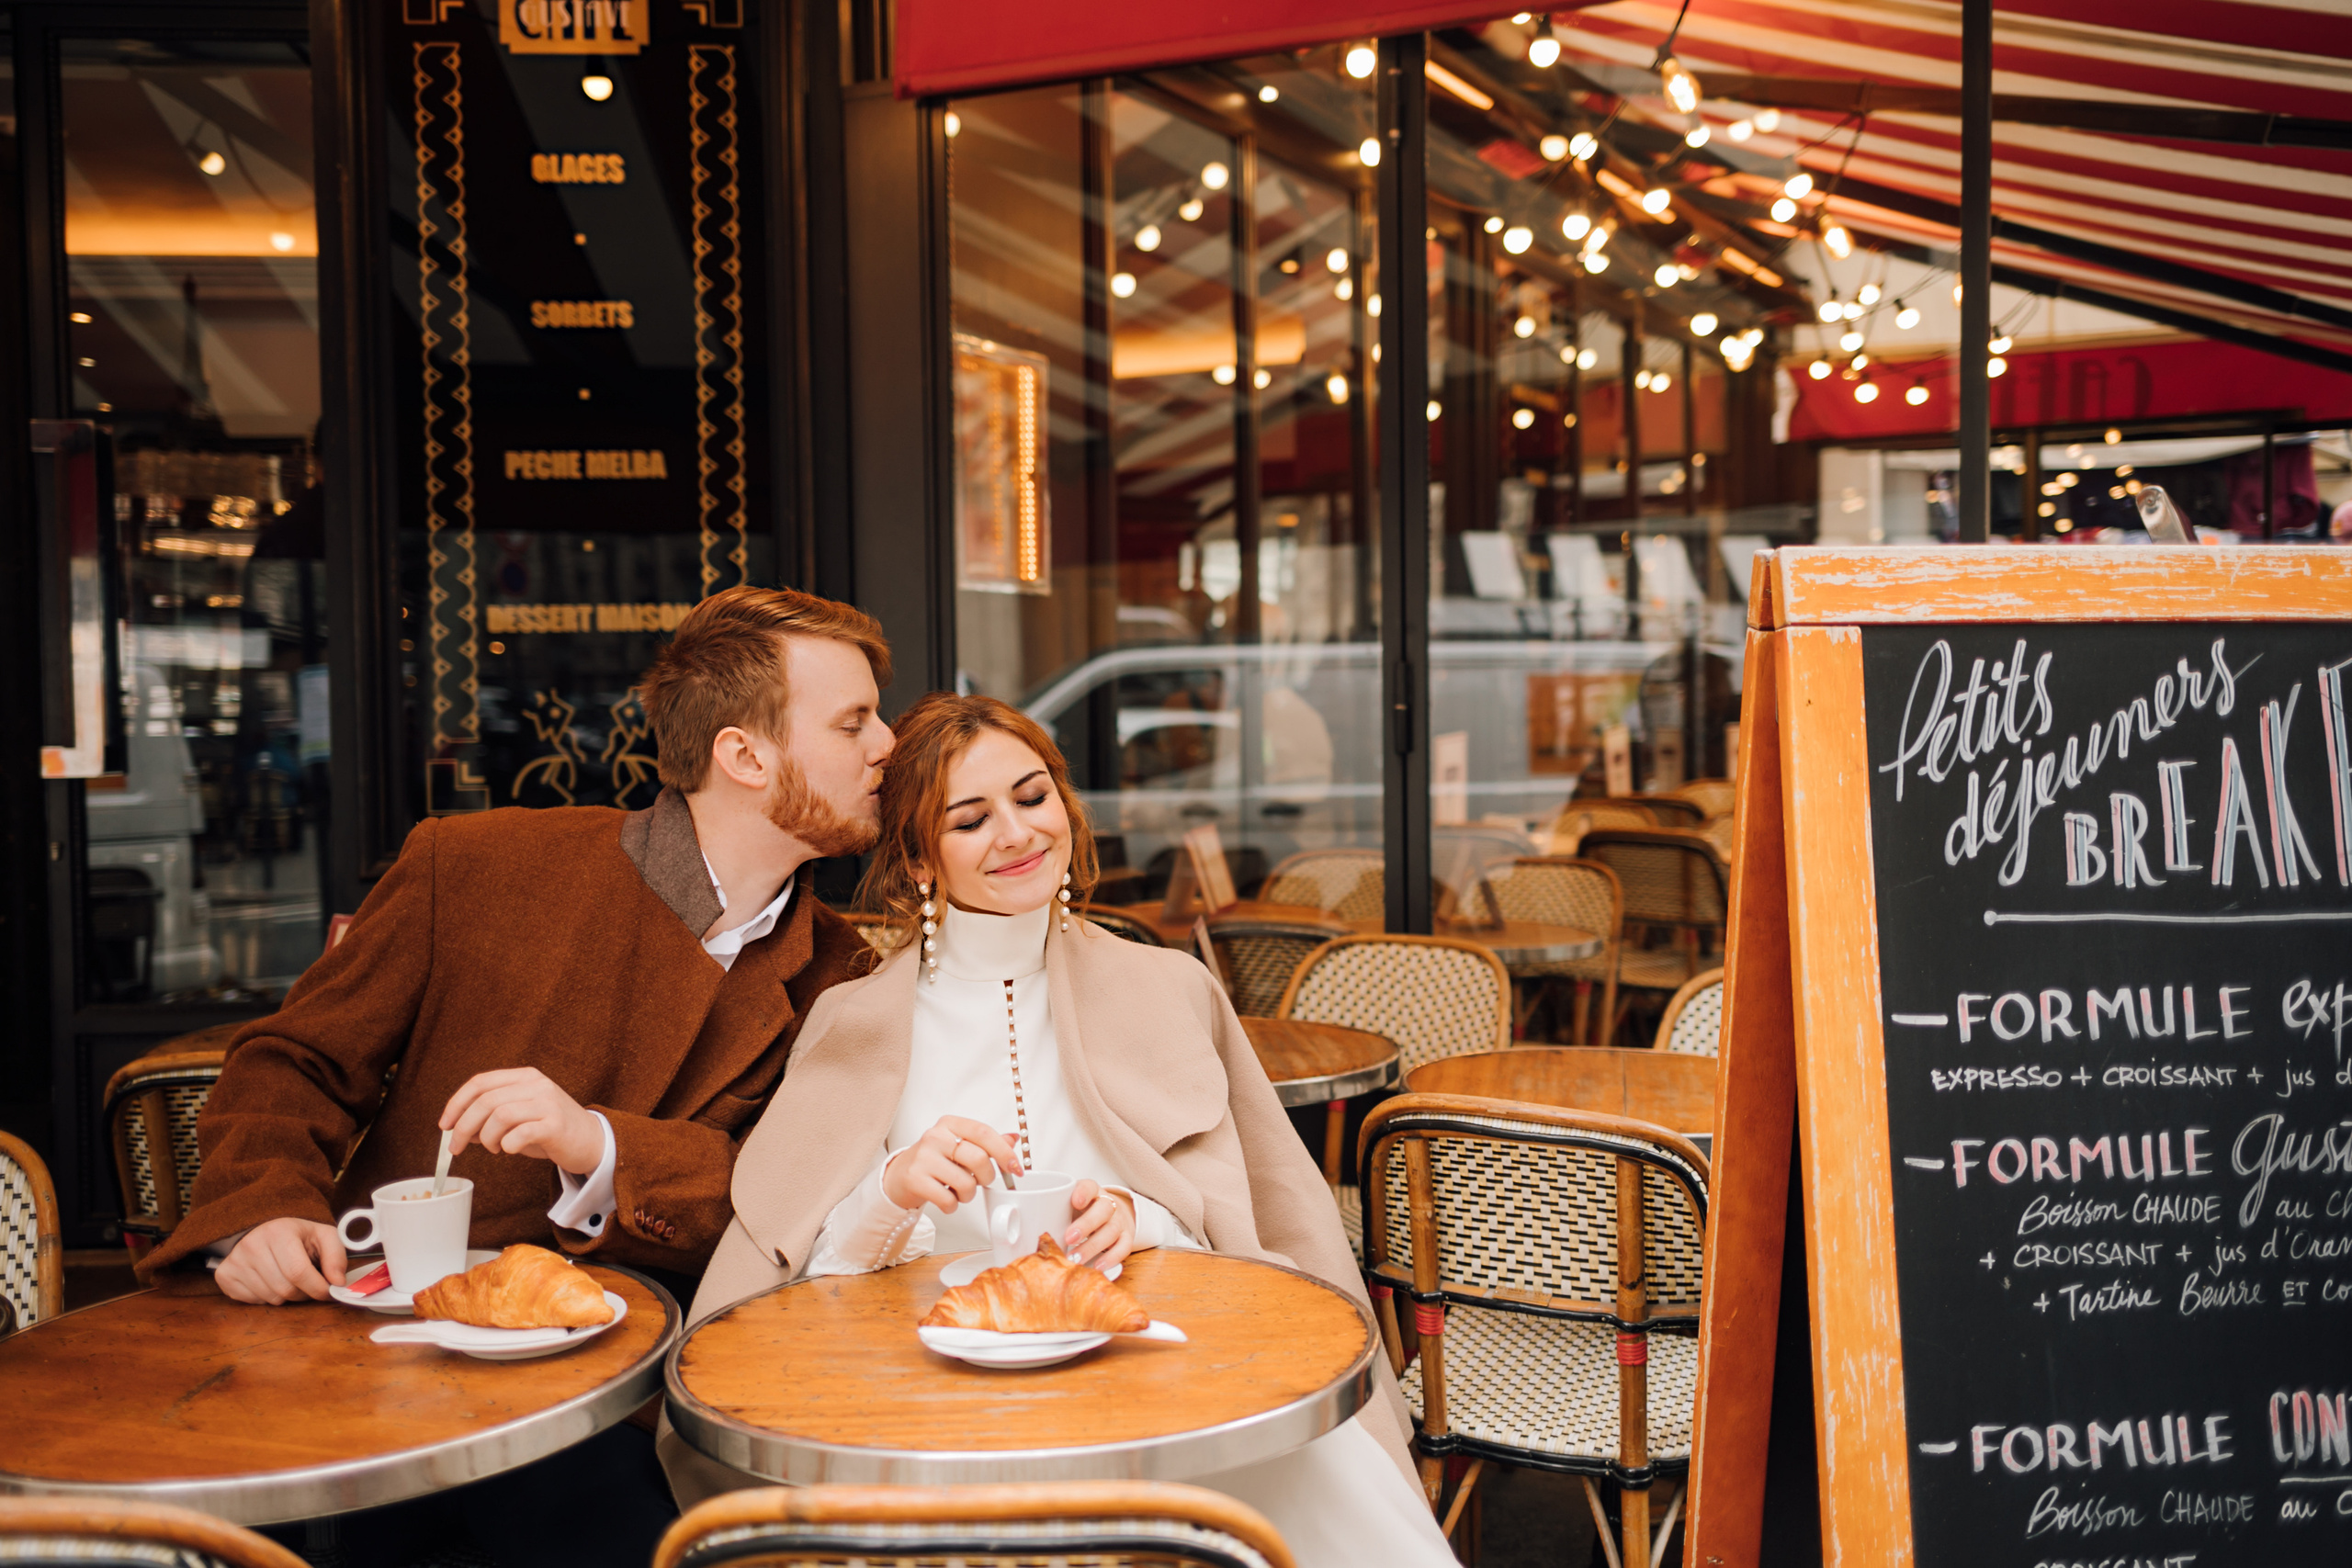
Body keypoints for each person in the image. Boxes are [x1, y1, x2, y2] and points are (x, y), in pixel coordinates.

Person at [139, 585, 895, 1568]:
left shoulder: (844, 974)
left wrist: (602, 1146)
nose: (888, 743)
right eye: (855, 721)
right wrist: (264, 1214)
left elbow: (786, 1201)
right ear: (744, 757)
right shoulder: (476, 865)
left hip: (613, 1406)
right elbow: (293, 1062)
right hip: (368, 1366)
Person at [660, 694, 1457, 1568]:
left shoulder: (1169, 987)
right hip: (929, 1408)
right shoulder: (853, 1021)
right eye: (970, 818)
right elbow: (795, 1282)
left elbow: (1242, 1224)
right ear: (923, 861)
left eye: (1031, 797)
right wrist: (889, 1193)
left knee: (1327, 1482)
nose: (1016, 833)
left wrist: (1139, 1217)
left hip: (1165, 1378)